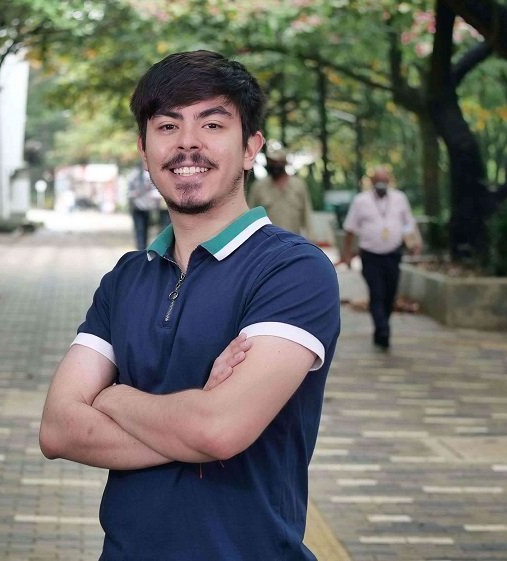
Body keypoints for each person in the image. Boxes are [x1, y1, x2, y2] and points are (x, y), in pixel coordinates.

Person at [39, 50, 340, 560]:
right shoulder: (125, 279)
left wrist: (113, 398)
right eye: (168, 125)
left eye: (213, 123)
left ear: (250, 148)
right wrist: (197, 413)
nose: (188, 143)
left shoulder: (293, 271)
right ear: (144, 148)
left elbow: (218, 430)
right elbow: (58, 429)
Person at [339, 167, 422, 350]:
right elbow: (350, 229)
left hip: (393, 254)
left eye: (384, 179)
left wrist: (415, 243)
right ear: (372, 181)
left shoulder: (400, 199)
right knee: (376, 292)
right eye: (378, 180)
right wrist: (347, 254)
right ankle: (383, 329)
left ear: (390, 180)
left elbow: (408, 223)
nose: (381, 183)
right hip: (370, 255)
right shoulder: (361, 201)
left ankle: (381, 327)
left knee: (389, 294)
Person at [247, 144, 313, 239]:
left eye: (277, 162)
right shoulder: (259, 187)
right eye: (271, 162)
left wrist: (310, 240)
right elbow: (250, 216)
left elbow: (307, 215)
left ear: (284, 163)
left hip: (293, 242)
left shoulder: (298, 185)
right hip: (267, 243)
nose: (274, 165)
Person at [126, 166, 160, 249]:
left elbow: (154, 191)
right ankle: (140, 249)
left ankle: (144, 249)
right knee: (139, 230)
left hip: (147, 208)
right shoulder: (133, 176)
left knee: (145, 230)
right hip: (137, 208)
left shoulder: (149, 176)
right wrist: (134, 193)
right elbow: (128, 192)